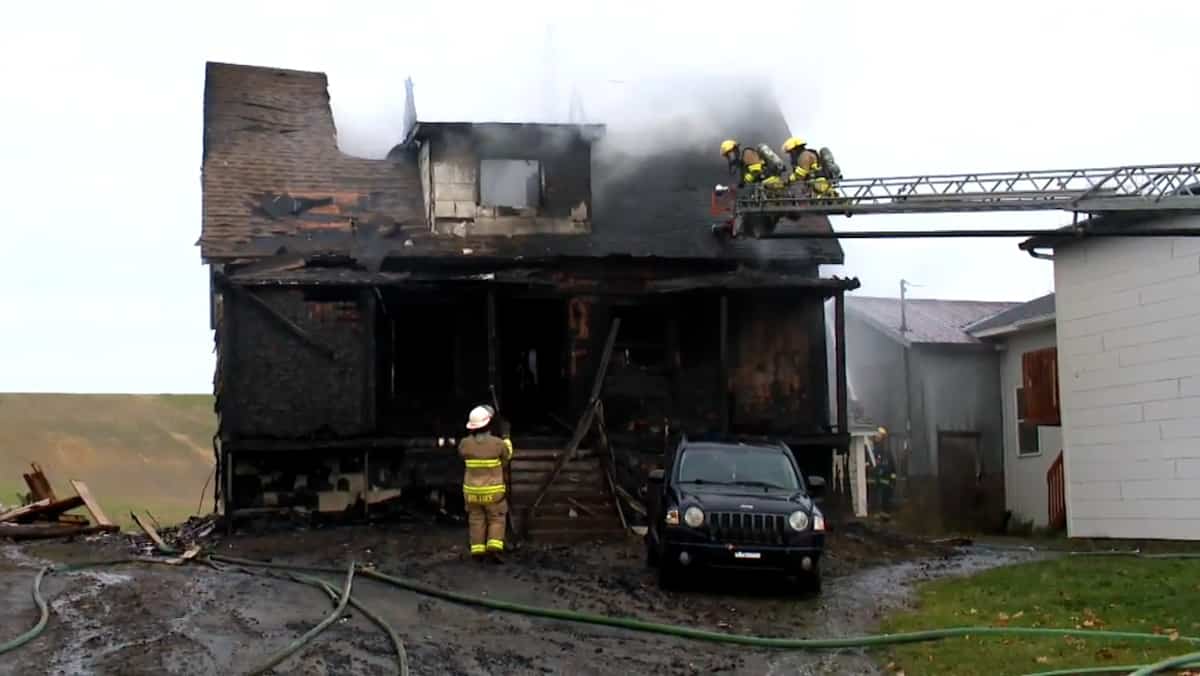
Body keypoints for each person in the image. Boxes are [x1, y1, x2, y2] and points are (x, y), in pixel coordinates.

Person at [459, 405, 514, 562]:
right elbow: (507, 456)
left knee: (476, 519)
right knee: (496, 518)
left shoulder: (464, 444)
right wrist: (506, 436)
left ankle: (477, 550)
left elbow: (463, 456)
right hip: (493, 493)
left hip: (471, 493)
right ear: (489, 424)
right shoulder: (497, 444)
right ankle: (494, 548)